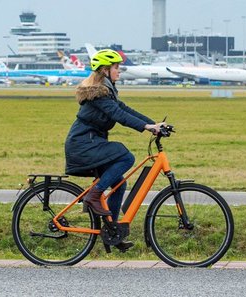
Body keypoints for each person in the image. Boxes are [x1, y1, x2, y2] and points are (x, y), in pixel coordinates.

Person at [64, 49, 164, 251]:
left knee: (119, 184)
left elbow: (125, 109)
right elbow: (118, 115)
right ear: (105, 70)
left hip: (91, 143)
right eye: (116, 67)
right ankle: (94, 195)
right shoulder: (98, 94)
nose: (119, 71)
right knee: (126, 157)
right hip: (83, 145)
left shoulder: (107, 91)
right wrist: (146, 127)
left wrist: (153, 124)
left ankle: (113, 231)